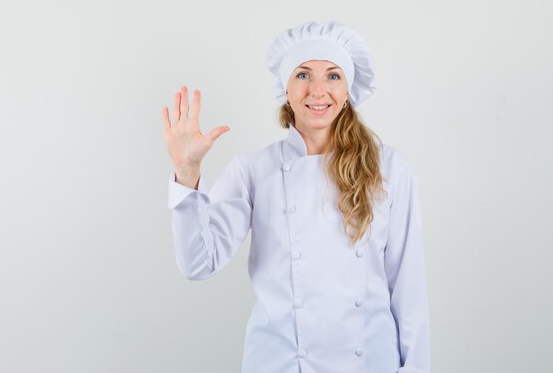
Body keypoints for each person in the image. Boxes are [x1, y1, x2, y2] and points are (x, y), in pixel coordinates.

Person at [161, 20, 430, 373]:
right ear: (285, 89)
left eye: (333, 76)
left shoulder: (390, 166)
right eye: (303, 75)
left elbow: (408, 291)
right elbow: (198, 264)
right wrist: (187, 172)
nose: (318, 90)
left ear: (349, 90)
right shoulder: (254, 169)